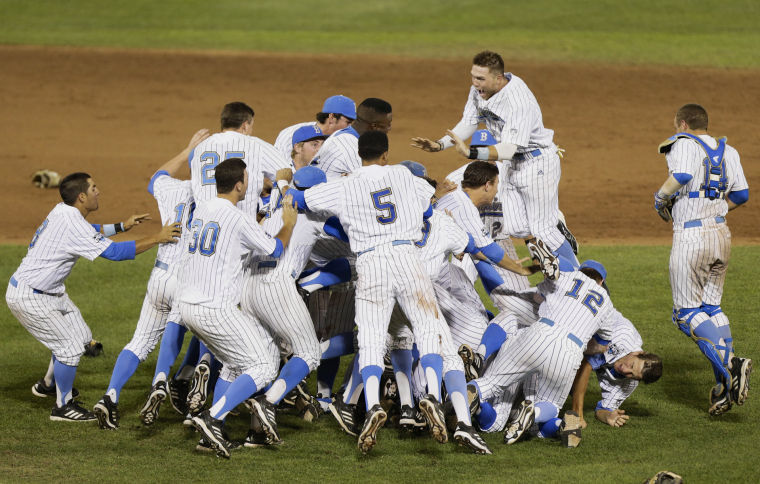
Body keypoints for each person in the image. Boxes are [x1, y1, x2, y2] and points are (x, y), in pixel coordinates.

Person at [280, 131, 489, 455]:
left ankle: (373, 401)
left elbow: (304, 201)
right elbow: (426, 205)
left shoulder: (345, 185)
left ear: (359, 154)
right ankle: (431, 395)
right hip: (407, 262)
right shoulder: (405, 177)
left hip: (372, 265)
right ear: (386, 154)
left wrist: (285, 188)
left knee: (372, 340)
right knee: (429, 330)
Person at [6, 173, 181, 421]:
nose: (98, 191)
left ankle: (47, 385)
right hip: (30, 297)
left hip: (49, 292)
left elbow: (91, 230)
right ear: (81, 196)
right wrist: (158, 237)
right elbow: (116, 253)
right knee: (68, 348)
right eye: (93, 188)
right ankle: (63, 406)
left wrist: (122, 226)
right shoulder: (71, 222)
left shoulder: (63, 211)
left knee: (81, 338)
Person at [92, 129, 210, 429]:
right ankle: (161, 379)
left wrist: (187, 150)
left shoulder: (171, 189)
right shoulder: (219, 200)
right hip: (188, 282)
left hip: (159, 276)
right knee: (181, 328)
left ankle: (110, 396)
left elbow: (155, 177)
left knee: (140, 341)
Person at [180, 158, 298, 458]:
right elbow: (275, 249)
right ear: (239, 185)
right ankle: (212, 418)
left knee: (235, 363)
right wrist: (288, 224)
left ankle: (210, 437)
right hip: (215, 309)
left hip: (188, 307)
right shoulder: (237, 217)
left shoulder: (203, 208)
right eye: (248, 178)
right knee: (265, 365)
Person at [411, 50, 576, 264]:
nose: (474, 82)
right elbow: (469, 122)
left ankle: (580, 278)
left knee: (542, 230)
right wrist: (440, 144)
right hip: (510, 164)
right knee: (516, 226)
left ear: (498, 78)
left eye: (480, 78)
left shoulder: (518, 101)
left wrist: (470, 152)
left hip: (537, 162)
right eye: (473, 76)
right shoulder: (478, 91)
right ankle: (556, 224)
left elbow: (508, 149)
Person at [653, 103, 751, 416]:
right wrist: (715, 212)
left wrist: (660, 197)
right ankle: (724, 386)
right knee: (711, 308)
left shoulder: (682, 143)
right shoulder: (730, 151)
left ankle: (731, 365)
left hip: (692, 238)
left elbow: (680, 175)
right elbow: (742, 195)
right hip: (721, 235)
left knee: (685, 314)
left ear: (682, 123)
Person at [569, 313, 663, 429]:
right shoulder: (623, 339)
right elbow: (586, 365)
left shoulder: (628, 384)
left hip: (583, 337)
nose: (625, 370)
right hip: (582, 315)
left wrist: (608, 415)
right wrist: (577, 414)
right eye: (632, 365)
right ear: (639, 353)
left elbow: (602, 409)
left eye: (631, 375)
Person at [311, 97, 392, 179]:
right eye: (388, 124)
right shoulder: (350, 146)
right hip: (319, 189)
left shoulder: (345, 135)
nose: (390, 128)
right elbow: (371, 182)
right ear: (374, 126)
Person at [273, 94, 356, 160]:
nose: (350, 127)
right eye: (348, 122)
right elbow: (277, 170)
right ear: (332, 117)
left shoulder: (346, 140)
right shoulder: (290, 135)